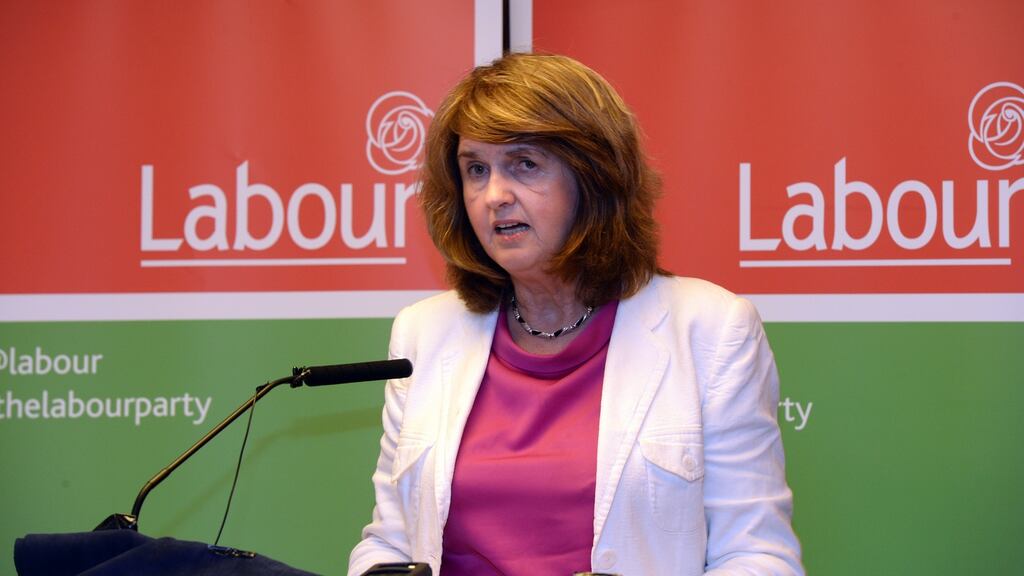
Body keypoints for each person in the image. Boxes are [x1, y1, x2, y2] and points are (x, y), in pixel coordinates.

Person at [348, 53, 803, 576]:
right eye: (476, 169)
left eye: (524, 164)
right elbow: (390, 542)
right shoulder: (423, 333)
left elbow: (756, 556)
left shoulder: (711, 330)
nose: (494, 196)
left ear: (592, 176)